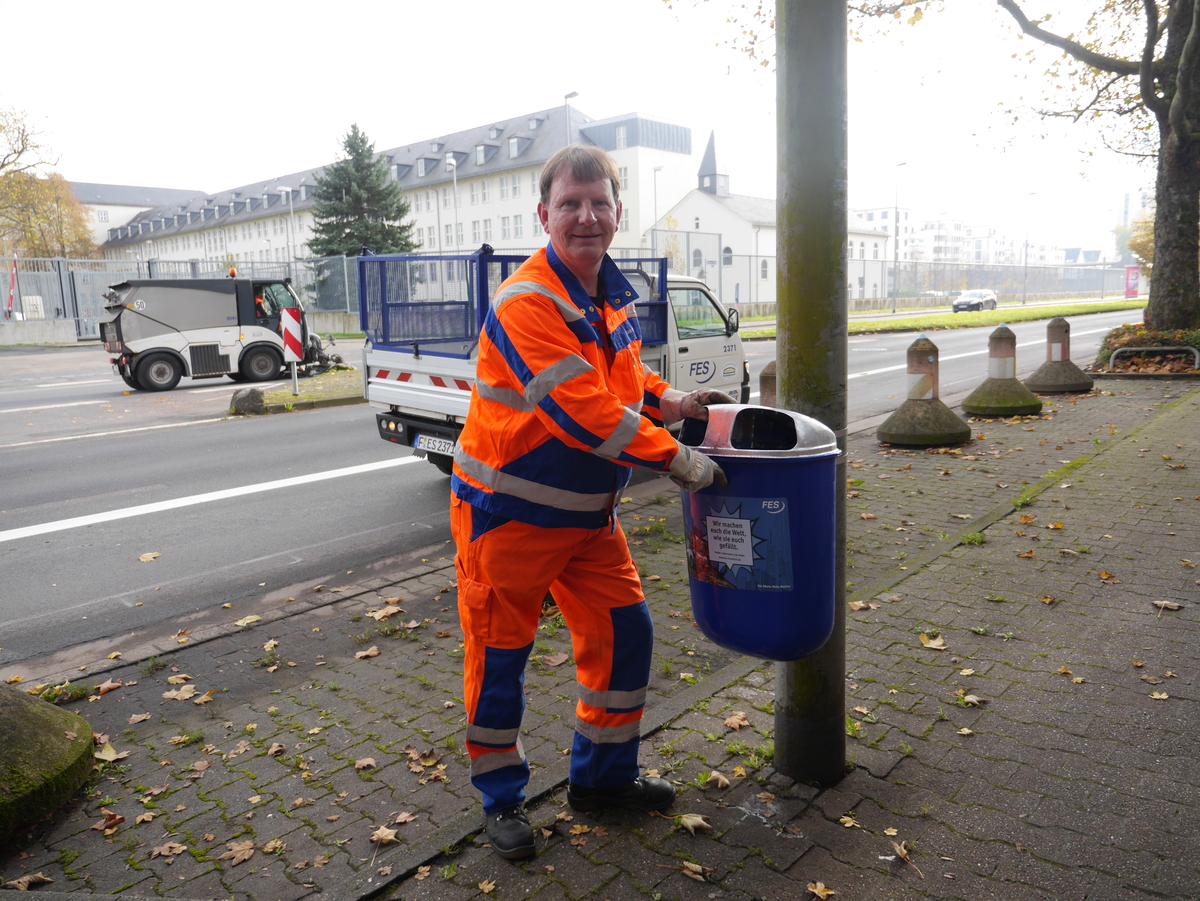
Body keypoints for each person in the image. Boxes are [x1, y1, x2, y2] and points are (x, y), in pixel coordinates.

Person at [450, 144, 732, 861]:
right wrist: (681, 459)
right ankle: (502, 798)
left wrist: (674, 400)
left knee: (624, 633)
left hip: (585, 519)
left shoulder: (610, 293)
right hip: (507, 518)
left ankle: (602, 781)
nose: (585, 217)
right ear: (544, 214)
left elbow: (623, 381)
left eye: (598, 203)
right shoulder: (528, 302)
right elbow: (584, 414)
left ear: (617, 213)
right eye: (569, 204)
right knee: (500, 659)